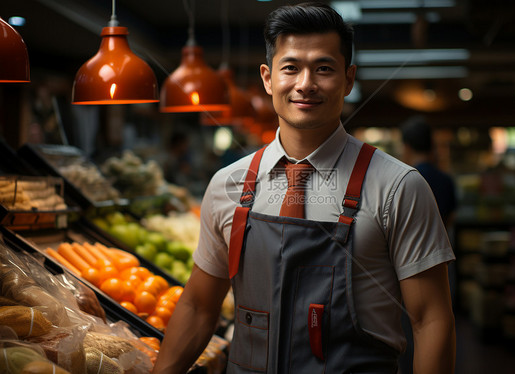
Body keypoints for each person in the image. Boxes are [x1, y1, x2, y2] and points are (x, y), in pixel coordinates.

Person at [153, 3, 456, 373]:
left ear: (348, 79)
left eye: (324, 68)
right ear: (268, 78)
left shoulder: (398, 187)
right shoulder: (227, 186)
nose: (305, 84)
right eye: (291, 67)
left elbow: (430, 320)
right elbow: (199, 306)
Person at [399, 116, 458, 374]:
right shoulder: (445, 179)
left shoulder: (403, 181)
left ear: (407, 146)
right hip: (443, 255)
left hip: (406, 262)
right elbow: (451, 218)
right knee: (438, 320)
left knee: (409, 329)